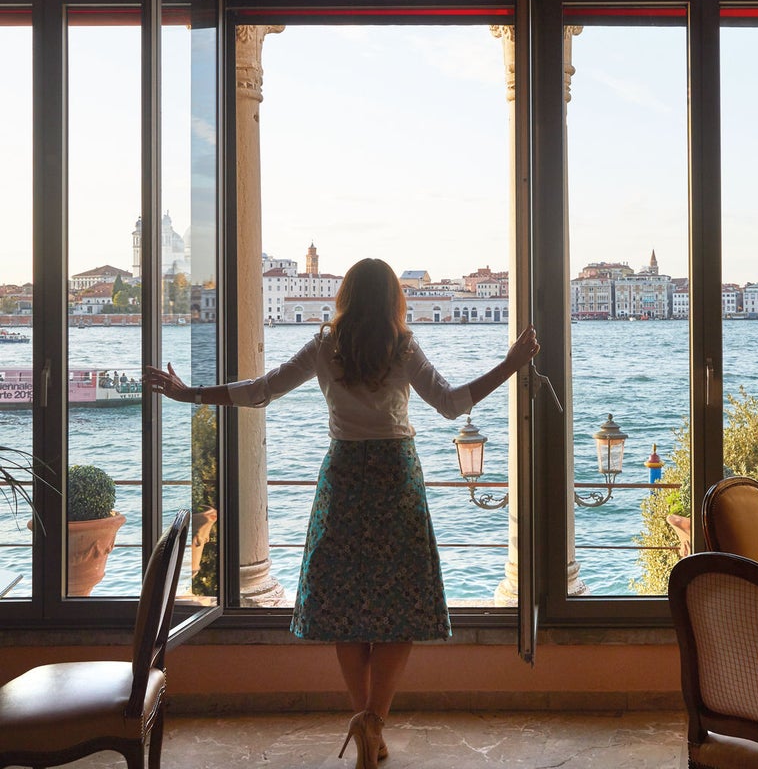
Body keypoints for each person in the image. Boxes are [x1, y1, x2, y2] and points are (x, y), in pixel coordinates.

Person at [145, 257, 538, 769]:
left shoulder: (325, 346)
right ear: (394, 299)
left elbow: (261, 391)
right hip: (396, 479)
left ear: (345, 297)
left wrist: (190, 393)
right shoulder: (403, 347)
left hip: (345, 480)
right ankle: (373, 722)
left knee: (347, 610)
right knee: (401, 608)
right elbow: (449, 402)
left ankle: (364, 720)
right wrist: (510, 365)